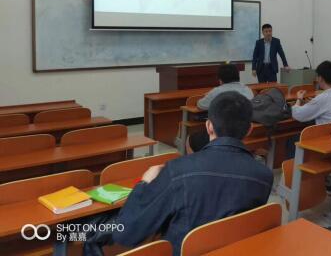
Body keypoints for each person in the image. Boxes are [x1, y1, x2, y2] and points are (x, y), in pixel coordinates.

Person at [82, 92, 273, 256]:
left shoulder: (178, 171)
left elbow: (127, 233)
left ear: (209, 126)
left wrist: (144, 184)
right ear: (249, 129)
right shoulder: (264, 175)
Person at [188, 63, 255, 152]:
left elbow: (201, 105)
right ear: (238, 76)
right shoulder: (247, 89)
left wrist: (206, 95)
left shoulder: (217, 91)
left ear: (220, 80)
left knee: (189, 139)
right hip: (242, 131)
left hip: (222, 134)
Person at [291, 60, 331, 125]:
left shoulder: (322, 98)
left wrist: (299, 99)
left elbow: (297, 114)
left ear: (320, 78)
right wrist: (313, 102)